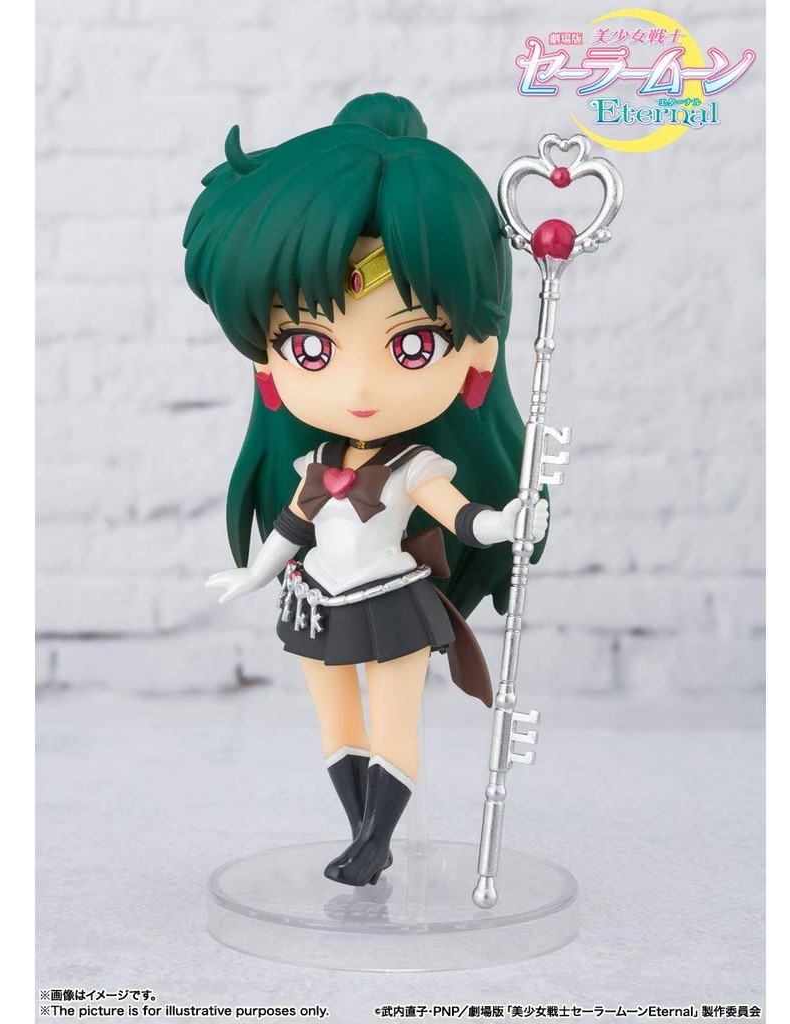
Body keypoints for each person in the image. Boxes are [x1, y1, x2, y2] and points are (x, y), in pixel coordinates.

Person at [184, 93, 547, 887]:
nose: (358, 386)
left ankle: (378, 840)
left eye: (412, 345)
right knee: (335, 717)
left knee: (393, 717)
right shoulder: (314, 463)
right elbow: (292, 525)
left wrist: (507, 523)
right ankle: (360, 833)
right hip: (315, 598)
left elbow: (463, 518)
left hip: (391, 601)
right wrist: (253, 573)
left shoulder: (415, 466)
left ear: (478, 355)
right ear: (266, 362)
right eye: (310, 347)